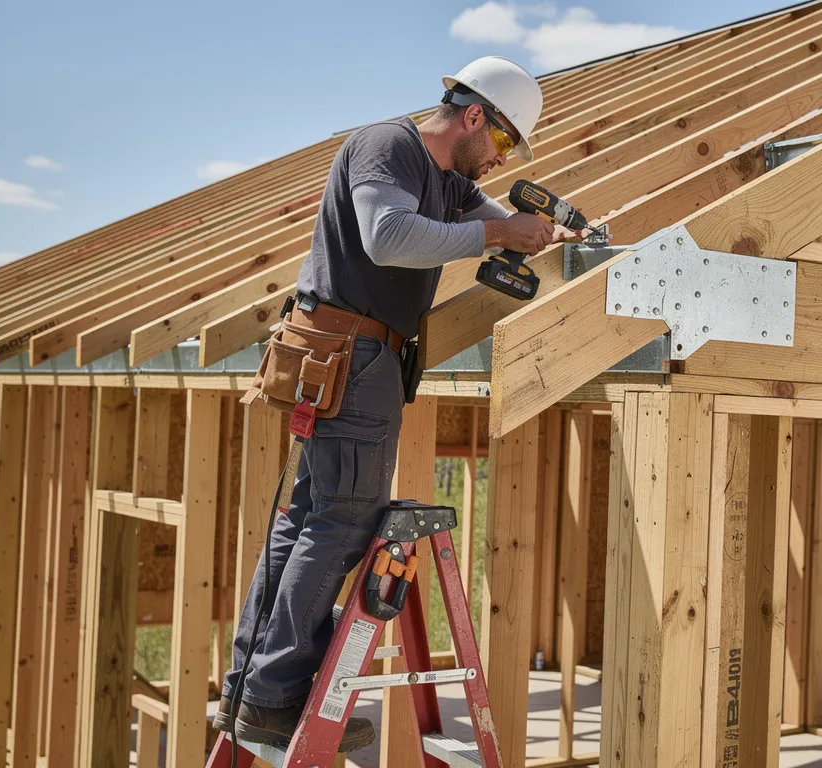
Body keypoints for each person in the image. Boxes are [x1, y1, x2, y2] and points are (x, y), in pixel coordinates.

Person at [216, 56, 568, 751]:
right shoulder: (389, 147)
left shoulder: (446, 180)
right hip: (353, 355)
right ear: (474, 116)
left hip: (350, 355)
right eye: (501, 144)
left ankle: (254, 688)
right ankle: (275, 696)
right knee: (341, 522)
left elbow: (494, 218)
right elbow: (389, 235)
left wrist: (548, 232)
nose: (499, 161)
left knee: (309, 517)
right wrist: (501, 235)